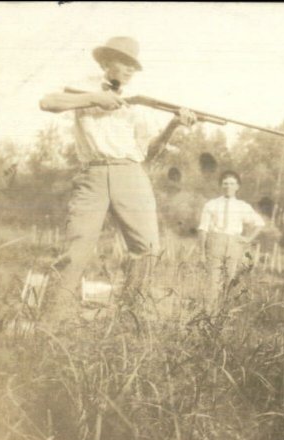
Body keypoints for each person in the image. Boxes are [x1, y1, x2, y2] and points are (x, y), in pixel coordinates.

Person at [39, 36, 197, 313]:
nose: (130, 69)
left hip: (130, 173)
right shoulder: (85, 87)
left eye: (134, 65)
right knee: (76, 251)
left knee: (148, 249)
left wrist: (174, 124)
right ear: (106, 62)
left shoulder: (137, 104)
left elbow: (149, 151)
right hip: (92, 175)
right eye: (124, 62)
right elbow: (47, 102)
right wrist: (94, 98)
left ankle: (130, 318)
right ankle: (51, 324)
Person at [197, 170, 265, 305]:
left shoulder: (242, 206)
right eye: (225, 183)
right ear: (221, 186)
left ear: (237, 186)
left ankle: (225, 315)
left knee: (231, 281)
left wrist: (248, 239)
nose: (228, 186)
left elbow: (260, 223)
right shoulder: (211, 204)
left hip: (234, 244)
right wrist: (202, 253)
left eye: (232, 184)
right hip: (215, 242)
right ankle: (210, 312)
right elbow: (203, 229)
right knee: (212, 281)